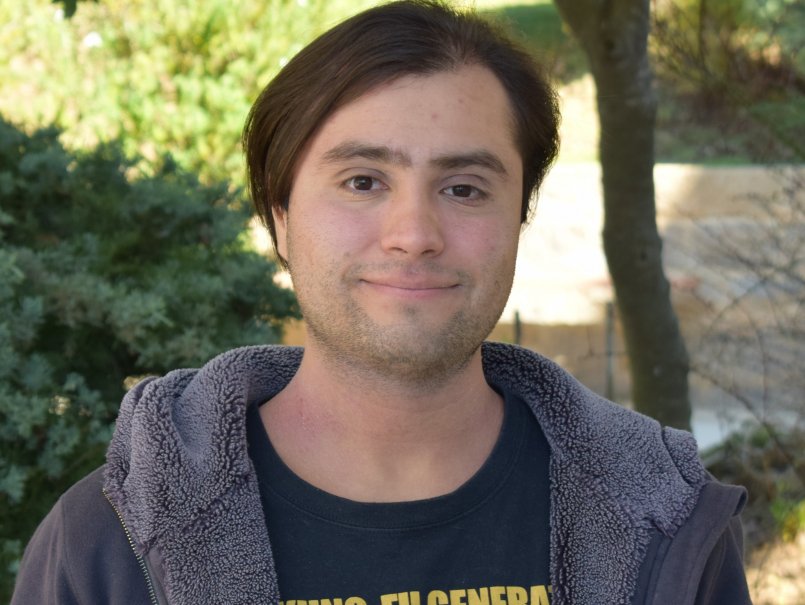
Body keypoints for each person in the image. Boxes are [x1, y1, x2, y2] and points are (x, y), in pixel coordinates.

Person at [12, 1, 752, 604]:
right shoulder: (108, 546)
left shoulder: (665, 525)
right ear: (280, 216)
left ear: (518, 218)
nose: (414, 235)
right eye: (363, 181)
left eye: (464, 188)